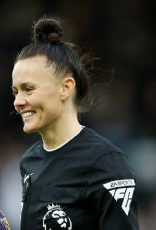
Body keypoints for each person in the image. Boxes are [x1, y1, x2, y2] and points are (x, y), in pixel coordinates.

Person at [11, 16, 139, 230]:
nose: (18, 102)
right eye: (15, 92)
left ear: (66, 87)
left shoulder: (105, 162)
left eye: (28, 89)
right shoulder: (29, 161)